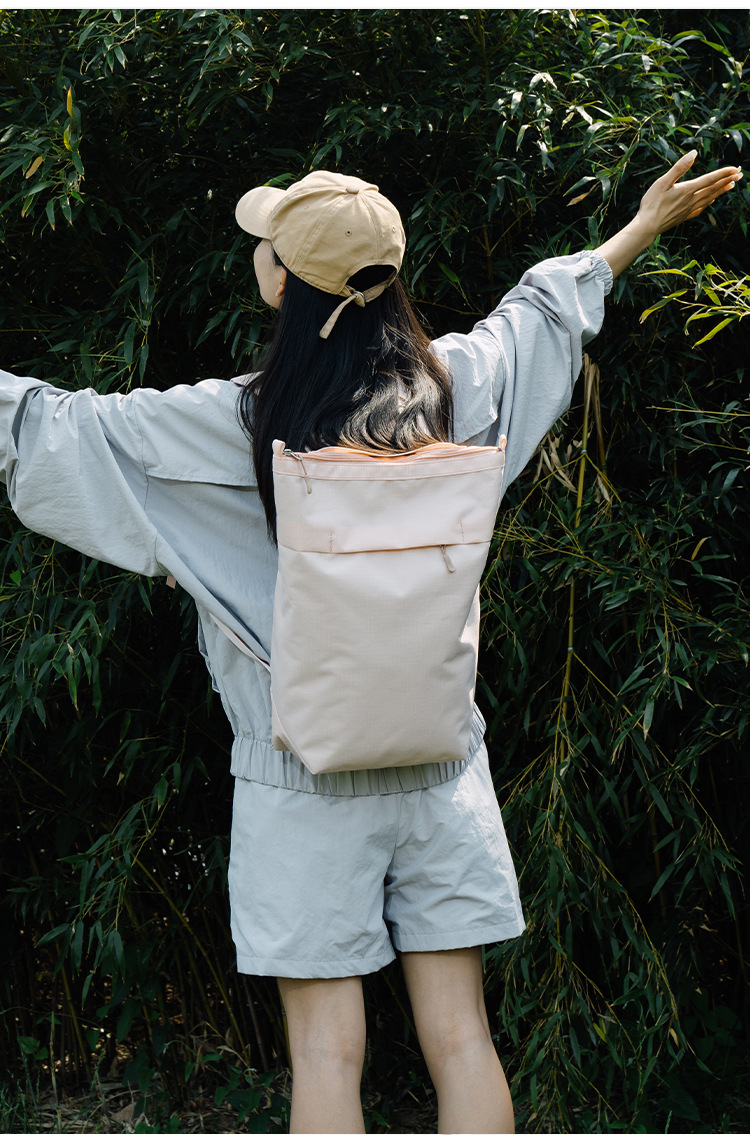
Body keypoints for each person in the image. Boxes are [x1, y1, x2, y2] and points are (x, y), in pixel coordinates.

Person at [0, 151, 741, 1134]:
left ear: (283, 282)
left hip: (298, 773)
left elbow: (53, 428)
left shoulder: (233, 422)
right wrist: (640, 227)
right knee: (463, 1037)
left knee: (325, 1049)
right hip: (442, 762)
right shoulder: (457, 390)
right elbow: (541, 312)